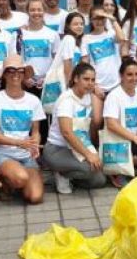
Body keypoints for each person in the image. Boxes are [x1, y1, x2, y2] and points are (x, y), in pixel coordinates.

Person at [0, 55, 46, 203]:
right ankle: (6, 181)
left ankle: (17, 180)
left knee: (35, 198)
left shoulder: (33, 100)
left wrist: (34, 145)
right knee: (21, 178)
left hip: (26, 154)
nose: (16, 74)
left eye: (20, 70)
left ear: (25, 74)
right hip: (3, 153)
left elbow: (36, 132)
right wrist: (20, 143)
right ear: (4, 75)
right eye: (11, 70)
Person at [42, 62, 107, 193]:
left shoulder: (88, 95)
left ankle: (70, 175)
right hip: (57, 149)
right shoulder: (66, 100)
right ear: (76, 79)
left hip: (77, 146)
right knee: (89, 168)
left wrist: (95, 89)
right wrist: (88, 155)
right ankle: (61, 174)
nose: (90, 83)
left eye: (93, 80)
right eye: (86, 79)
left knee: (100, 180)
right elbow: (67, 133)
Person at [102, 58, 137, 185]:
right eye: (129, 74)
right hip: (117, 140)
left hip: (132, 140)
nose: (134, 78)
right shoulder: (114, 96)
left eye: (136, 74)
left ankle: (128, 167)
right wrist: (135, 139)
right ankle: (116, 171)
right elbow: (111, 124)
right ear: (121, 76)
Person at [18, 0, 60, 96]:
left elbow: (56, 60)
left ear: (44, 11)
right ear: (27, 12)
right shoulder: (19, 34)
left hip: (47, 83)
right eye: (32, 10)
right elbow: (16, 59)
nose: (36, 13)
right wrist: (24, 78)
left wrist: (47, 78)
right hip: (26, 84)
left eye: (39, 10)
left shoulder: (53, 34)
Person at [82, 5, 127, 94]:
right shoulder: (86, 39)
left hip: (117, 84)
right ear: (91, 20)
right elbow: (85, 64)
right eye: (96, 18)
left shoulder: (111, 34)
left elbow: (122, 39)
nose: (99, 21)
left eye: (102, 18)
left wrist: (111, 19)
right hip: (98, 86)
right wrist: (93, 85)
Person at [51, 11, 86, 84]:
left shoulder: (77, 42)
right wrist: (69, 84)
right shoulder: (69, 39)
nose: (79, 26)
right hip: (59, 82)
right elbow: (67, 63)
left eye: (81, 24)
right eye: (75, 24)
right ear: (68, 26)